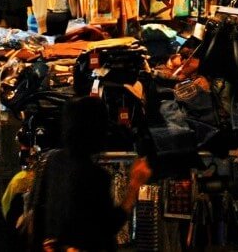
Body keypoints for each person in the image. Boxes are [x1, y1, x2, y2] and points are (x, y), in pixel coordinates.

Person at [29, 96, 152, 252]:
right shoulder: (94, 175)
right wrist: (134, 186)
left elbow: (41, 213)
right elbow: (107, 227)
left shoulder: (53, 160)